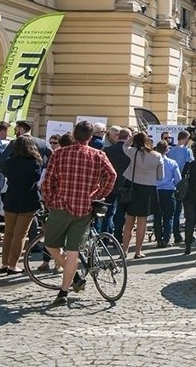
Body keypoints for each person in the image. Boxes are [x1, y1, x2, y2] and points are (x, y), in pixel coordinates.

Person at [40, 120, 116, 308]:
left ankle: (70, 280)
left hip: (60, 205)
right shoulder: (98, 155)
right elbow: (112, 175)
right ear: (90, 137)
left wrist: (49, 199)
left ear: (74, 134)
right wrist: (97, 194)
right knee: (73, 252)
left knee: (50, 245)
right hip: (84, 207)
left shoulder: (59, 154)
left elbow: (47, 181)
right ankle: (65, 290)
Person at [0, 135, 42, 274]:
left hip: (11, 199)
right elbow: (37, 179)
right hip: (28, 200)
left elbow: (2, 164)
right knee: (20, 234)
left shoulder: (10, 162)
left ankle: (4, 263)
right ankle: (13, 265)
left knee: (8, 233)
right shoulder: (35, 162)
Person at [121, 132, 164, 259]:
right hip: (148, 189)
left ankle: (124, 251)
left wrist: (133, 136)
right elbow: (160, 176)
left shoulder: (133, 152)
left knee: (129, 222)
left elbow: (124, 146)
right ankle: (138, 251)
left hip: (133, 187)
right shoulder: (157, 156)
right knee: (142, 222)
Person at [166, 130, 194, 244]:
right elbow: (189, 165)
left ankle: (174, 233)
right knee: (184, 210)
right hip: (183, 183)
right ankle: (180, 235)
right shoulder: (187, 150)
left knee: (173, 211)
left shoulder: (170, 151)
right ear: (186, 139)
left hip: (171, 183)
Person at [103, 128, 132, 236]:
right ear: (128, 137)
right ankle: (118, 236)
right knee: (120, 213)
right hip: (125, 185)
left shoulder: (108, 150)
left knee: (107, 212)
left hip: (110, 183)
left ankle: (105, 237)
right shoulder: (130, 151)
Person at [153, 140, 181, 248]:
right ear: (167, 150)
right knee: (169, 216)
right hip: (169, 191)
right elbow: (178, 179)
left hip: (156, 191)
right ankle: (166, 239)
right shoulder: (172, 163)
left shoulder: (153, 162)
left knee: (157, 216)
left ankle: (158, 239)